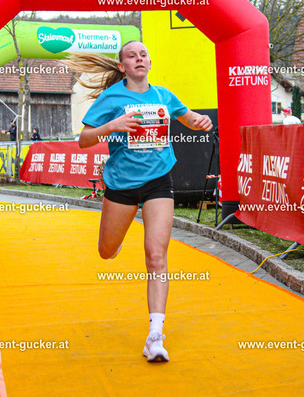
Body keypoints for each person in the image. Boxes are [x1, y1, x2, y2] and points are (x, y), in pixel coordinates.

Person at [69, 40, 213, 362]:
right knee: (106, 251)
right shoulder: (111, 98)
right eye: (131, 56)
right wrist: (112, 126)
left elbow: (188, 118)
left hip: (158, 182)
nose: (139, 59)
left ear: (149, 62)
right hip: (121, 185)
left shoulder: (163, 96)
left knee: (156, 256)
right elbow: (84, 140)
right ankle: (116, 237)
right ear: (122, 66)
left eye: (143, 54)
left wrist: (200, 121)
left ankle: (155, 336)